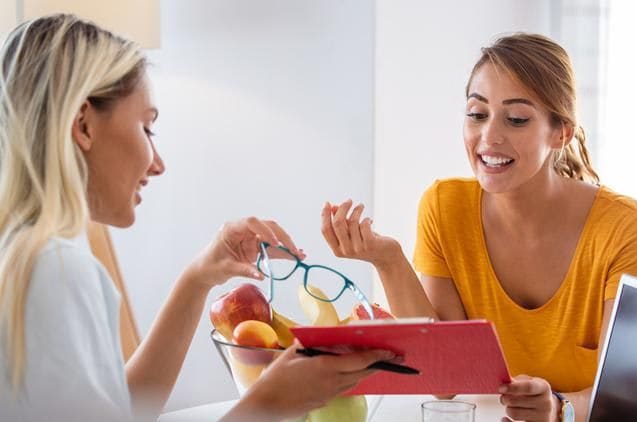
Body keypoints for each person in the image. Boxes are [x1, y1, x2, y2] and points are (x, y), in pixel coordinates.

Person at [0, 14, 393, 422]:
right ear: (83, 124)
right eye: (147, 128)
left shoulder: (28, 257)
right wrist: (272, 403)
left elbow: (121, 409)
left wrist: (198, 278)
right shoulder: (58, 272)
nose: (158, 164)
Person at [320, 33, 637, 422]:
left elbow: (626, 396)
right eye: (477, 114)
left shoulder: (626, 227)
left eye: (516, 119)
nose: (489, 137)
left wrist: (558, 408)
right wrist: (388, 260)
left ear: (560, 132)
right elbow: (444, 378)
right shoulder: (444, 207)